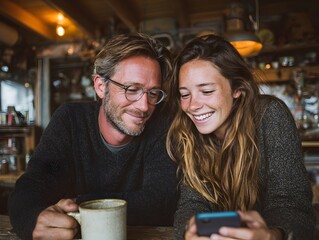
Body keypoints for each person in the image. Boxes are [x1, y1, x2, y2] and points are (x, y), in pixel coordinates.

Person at [9, 32, 178, 240]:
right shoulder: (70, 120)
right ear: (100, 86)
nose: (144, 106)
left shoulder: (162, 126)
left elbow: (161, 203)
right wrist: (32, 219)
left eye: (153, 93)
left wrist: (78, 204)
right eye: (132, 89)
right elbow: (33, 184)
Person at [166, 34, 315, 240]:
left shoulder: (270, 115)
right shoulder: (186, 132)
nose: (192, 106)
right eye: (184, 94)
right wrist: (189, 233)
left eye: (207, 91)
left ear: (237, 89)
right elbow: (191, 204)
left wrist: (272, 235)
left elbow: (292, 205)